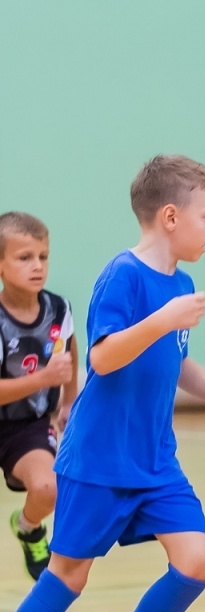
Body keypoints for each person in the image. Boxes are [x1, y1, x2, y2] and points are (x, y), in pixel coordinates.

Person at [0, 155, 205, 612]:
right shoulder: (123, 277)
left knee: (197, 562)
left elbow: (173, 360)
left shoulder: (180, 287)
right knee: (68, 577)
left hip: (156, 461)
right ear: (170, 217)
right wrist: (163, 319)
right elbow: (104, 357)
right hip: (100, 461)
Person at [0, 212, 78, 581]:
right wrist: (43, 378)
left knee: (49, 487)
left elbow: (70, 349)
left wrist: (69, 399)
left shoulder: (59, 309)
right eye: (24, 257)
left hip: (25, 427)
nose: (37, 266)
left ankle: (29, 528)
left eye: (43, 257)